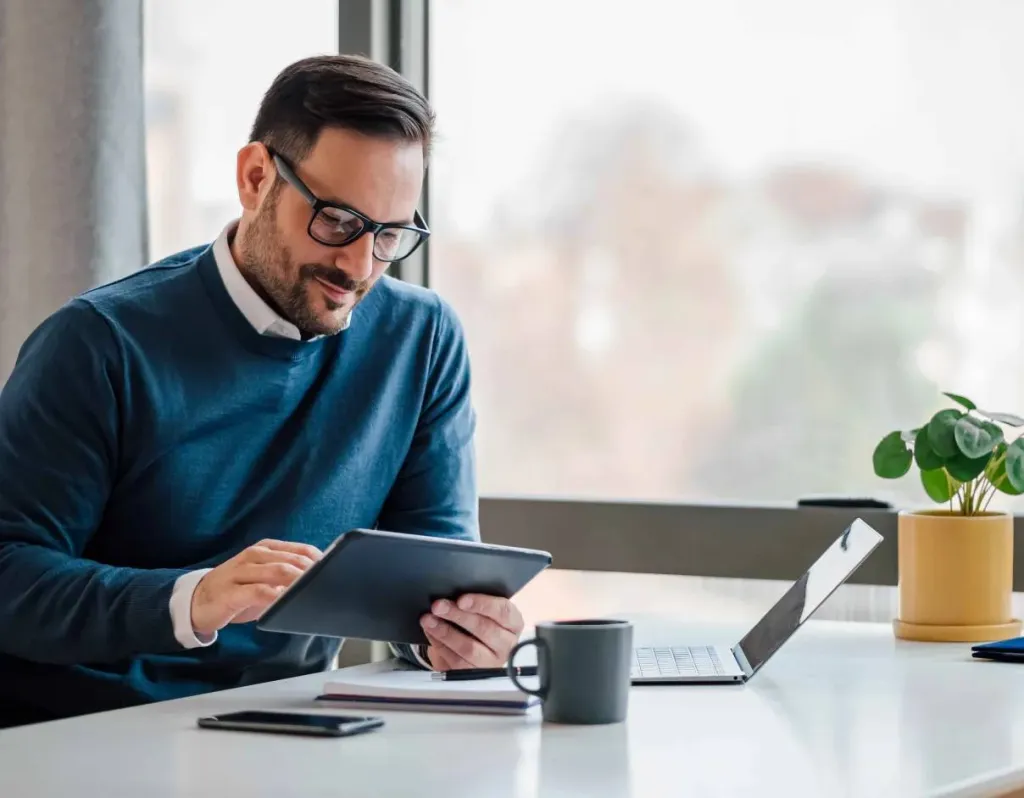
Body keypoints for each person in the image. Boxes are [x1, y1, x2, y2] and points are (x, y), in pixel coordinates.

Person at [0, 54, 524, 728]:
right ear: (255, 179)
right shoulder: (98, 344)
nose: (360, 267)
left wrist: (460, 633)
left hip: (288, 726)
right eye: (337, 221)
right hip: (82, 732)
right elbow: (8, 574)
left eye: (390, 234)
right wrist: (192, 599)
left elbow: (431, 581)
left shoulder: (421, 341)